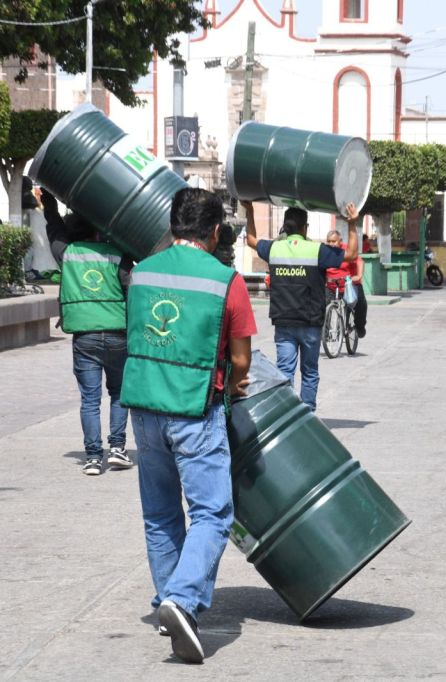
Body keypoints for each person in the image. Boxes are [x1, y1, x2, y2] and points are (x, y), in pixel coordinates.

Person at [120, 188, 255, 664]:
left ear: (173, 226)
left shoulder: (141, 272)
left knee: (159, 514)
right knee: (213, 514)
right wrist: (233, 386)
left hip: (144, 408)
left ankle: (168, 603)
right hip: (195, 409)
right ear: (215, 232)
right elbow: (241, 360)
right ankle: (182, 600)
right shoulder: (226, 280)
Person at [42, 188, 134, 476]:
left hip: (84, 336)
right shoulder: (117, 255)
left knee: (90, 399)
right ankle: (117, 448)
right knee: (118, 393)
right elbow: (131, 289)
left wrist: (48, 202)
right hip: (118, 334)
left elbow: (54, 229)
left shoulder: (67, 254)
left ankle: (93, 457)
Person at [242, 200, 359, 411]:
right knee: (310, 372)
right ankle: (307, 414)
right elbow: (351, 254)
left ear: (285, 227)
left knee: (284, 372)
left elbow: (250, 240)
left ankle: (286, 414)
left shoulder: (274, 248)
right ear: (305, 228)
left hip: (284, 322)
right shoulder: (317, 250)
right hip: (310, 322)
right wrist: (352, 224)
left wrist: (249, 210)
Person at [325, 229, 368, 337]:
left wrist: (358, 276)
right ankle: (325, 332)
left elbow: (359, 261)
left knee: (360, 303)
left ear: (340, 241)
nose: (331, 244)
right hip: (331, 285)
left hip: (349, 284)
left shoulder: (347, 250)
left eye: (333, 241)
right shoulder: (324, 251)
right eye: (329, 241)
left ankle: (360, 326)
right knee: (321, 305)